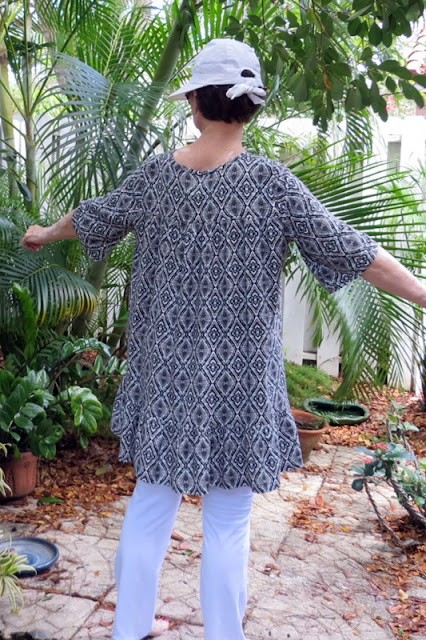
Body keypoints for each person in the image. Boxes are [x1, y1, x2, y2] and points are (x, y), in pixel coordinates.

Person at [22, 38, 426, 640]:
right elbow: (355, 251)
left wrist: (42, 233)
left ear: (195, 102)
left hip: (164, 374)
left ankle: (130, 629)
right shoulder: (273, 184)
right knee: (229, 524)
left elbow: (91, 216)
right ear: (250, 106)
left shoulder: (157, 177)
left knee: (151, 505)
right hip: (241, 382)